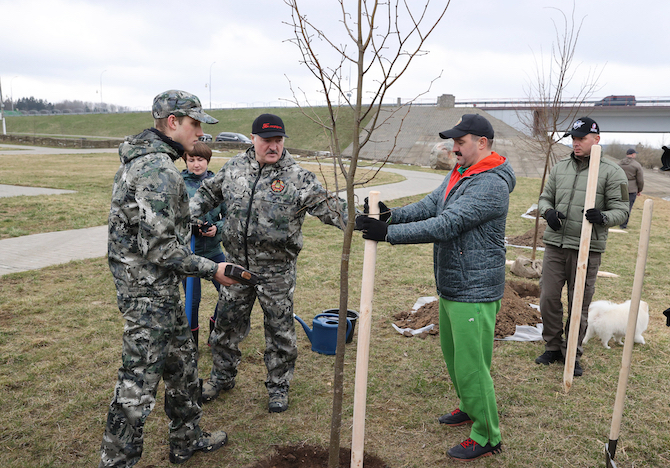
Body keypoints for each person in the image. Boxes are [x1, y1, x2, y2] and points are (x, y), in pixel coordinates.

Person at [356, 114, 515, 461]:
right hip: (452, 284)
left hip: (474, 289)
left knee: (472, 365)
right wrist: (390, 216)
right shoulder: (460, 173)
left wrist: (389, 235)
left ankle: (487, 434)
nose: (453, 147)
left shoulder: (490, 184)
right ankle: (469, 405)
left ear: (482, 144)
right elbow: (431, 206)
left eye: (460, 141)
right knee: (455, 356)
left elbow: (447, 224)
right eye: (453, 141)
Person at [101, 90, 239, 467]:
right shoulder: (157, 170)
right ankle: (117, 461)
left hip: (160, 291)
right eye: (195, 125)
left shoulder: (150, 161)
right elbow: (160, 248)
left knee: (183, 366)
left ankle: (186, 438)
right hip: (147, 296)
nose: (200, 134)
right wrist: (214, 269)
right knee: (137, 385)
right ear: (173, 123)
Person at [189, 113, 350, 413]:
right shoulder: (235, 168)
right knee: (225, 327)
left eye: (278, 140)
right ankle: (222, 377)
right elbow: (208, 194)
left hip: (276, 272)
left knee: (279, 332)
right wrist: (186, 214)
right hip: (236, 267)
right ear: (253, 139)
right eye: (267, 140)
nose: (273, 146)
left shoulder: (297, 177)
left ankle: (278, 387)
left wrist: (359, 219)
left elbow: (328, 206)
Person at [535, 116, 629, 377]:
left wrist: (604, 218)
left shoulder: (612, 171)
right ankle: (553, 346)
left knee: (580, 304)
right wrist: (548, 212)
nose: (576, 143)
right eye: (573, 138)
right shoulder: (560, 167)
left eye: (581, 138)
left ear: (596, 140)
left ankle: (573, 353)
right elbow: (544, 198)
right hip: (556, 245)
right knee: (548, 298)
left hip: (588, 248)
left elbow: (622, 209)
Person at [181, 141, 227, 348]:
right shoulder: (179, 183)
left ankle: (216, 331)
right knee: (192, 301)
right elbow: (173, 217)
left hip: (214, 251)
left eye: (200, 160)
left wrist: (217, 228)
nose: (196, 164)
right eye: (191, 160)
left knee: (229, 291)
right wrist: (191, 227)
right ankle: (192, 345)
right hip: (189, 253)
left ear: (208, 161)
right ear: (185, 161)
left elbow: (230, 216)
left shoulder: (218, 183)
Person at [618, 148, 644, 229]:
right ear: (633, 154)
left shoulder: (619, 163)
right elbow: (640, 180)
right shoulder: (636, 165)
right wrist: (639, 190)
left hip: (619, 187)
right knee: (628, 207)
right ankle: (623, 225)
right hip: (631, 189)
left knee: (619, 205)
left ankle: (617, 221)